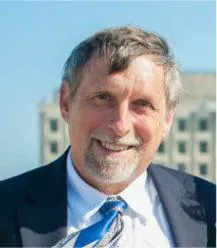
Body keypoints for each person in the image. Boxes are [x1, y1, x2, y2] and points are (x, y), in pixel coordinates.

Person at [0, 26, 215, 248]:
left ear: (168, 118)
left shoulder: (210, 207)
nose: (120, 125)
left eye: (142, 104)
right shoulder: (4, 207)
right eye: (102, 98)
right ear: (65, 103)